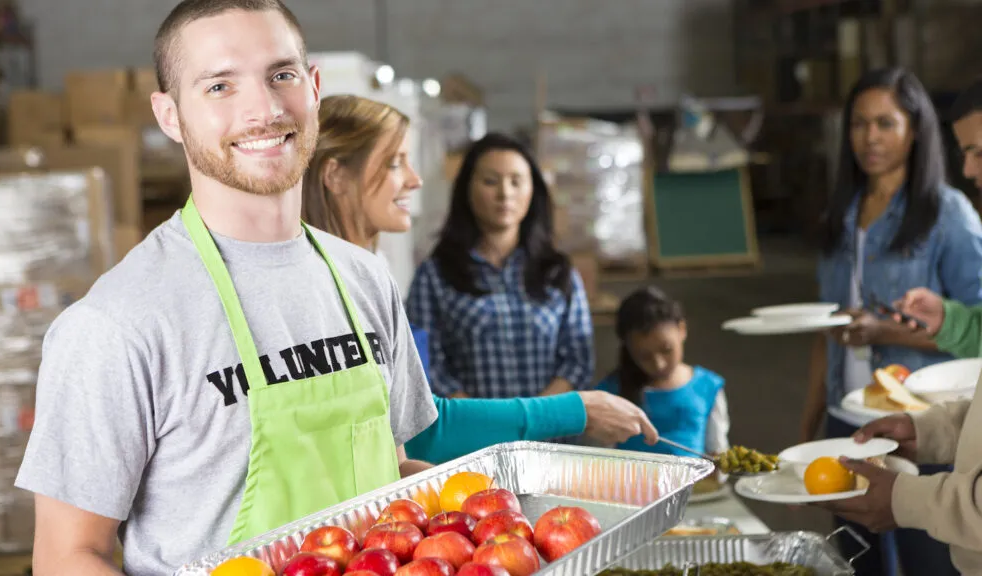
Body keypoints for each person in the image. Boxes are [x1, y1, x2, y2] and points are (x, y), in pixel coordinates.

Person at [13, 2, 439, 575]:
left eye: (281, 75)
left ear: (313, 88)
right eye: (219, 86)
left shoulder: (363, 278)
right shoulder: (118, 322)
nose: (263, 109)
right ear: (169, 115)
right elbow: (67, 557)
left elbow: (388, 473)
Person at [300, 94, 660, 463]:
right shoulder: (316, 291)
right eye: (395, 163)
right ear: (336, 176)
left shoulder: (371, 277)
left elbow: (399, 439)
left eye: (516, 181)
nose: (415, 180)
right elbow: (424, 425)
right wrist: (574, 410)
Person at [803, 67, 982, 576]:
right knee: (856, 558)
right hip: (863, 420)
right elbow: (825, 331)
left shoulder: (950, 215)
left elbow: (976, 345)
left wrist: (889, 333)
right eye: (859, 124)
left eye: (885, 123)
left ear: (915, 130)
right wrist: (806, 430)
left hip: (927, 418)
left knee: (930, 559)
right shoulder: (842, 216)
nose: (870, 137)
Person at [406, 132, 595, 400]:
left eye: (516, 181)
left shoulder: (557, 272)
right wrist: (491, 424)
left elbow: (578, 361)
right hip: (473, 437)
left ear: (533, 190)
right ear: (467, 188)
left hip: (550, 435)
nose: (505, 193)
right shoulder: (435, 275)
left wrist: (533, 421)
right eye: (490, 181)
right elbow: (425, 366)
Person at [594, 286, 729, 457]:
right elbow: (599, 457)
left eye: (666, 350)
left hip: (696, 484)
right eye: (644, 355)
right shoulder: (610, 393)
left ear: (682, 330)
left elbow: (718, 451)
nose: (658, 364)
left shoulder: (708, 387)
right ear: (628, 348)